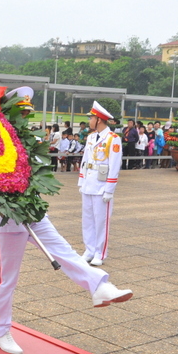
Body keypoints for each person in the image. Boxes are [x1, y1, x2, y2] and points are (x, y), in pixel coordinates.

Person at [0, 88, 132, 354]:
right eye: (20, 114)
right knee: (8, 279)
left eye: (27, 114)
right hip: (8, 217)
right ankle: (0, 331)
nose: (25, 119)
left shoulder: (30, 141)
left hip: (33, 211)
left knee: (64, 251)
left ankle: (100, 286)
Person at [79, 101, 122, 266]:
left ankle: (100, 253)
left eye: (91, 118)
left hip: (102, 186)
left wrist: (109, 190)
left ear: (99, 120)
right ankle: (89, 250)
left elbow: (114, 165)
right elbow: (85, 161)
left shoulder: (113, 139)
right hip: (89, 184)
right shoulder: (90, 137)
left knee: (101, 220)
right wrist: (81, 181)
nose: (89, 120)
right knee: (87, 219)